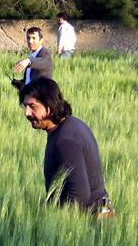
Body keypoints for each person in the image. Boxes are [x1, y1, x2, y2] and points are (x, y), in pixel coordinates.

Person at [19, 78, 114, 217]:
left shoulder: (65, 141)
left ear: (49, 106)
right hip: (98, 215)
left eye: (33, 107)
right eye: (25, 106)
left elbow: (79, 196)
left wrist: (57, 223)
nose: (27, 113)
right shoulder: (73, 124)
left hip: (88, 223)